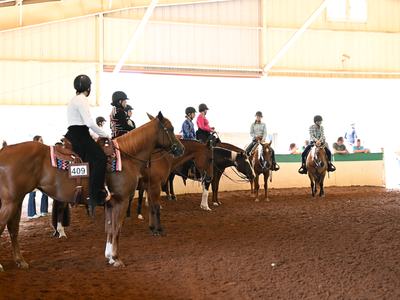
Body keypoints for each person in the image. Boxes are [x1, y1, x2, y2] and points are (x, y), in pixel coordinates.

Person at [65, 74, 109, 214]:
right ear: (88, 88)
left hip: (73, 134)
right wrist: (105, 135)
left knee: (91, 161)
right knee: (101, 158)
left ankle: (87, 191)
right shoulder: (82, 100)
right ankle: (95, 195)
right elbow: (89, 123)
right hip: (81, 136)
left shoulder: (73, 100)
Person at [27, 136, 49, 219]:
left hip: (42, 175)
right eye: (41, 140)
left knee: (46, 192)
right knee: (32, 194)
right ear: (36, 141)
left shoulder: (43, 150)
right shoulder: (31, 151)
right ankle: (31, 214)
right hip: (33, 175)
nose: (43, 141)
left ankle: (44, 211)